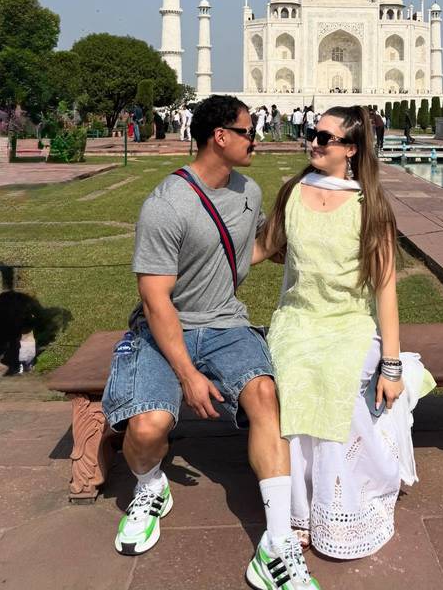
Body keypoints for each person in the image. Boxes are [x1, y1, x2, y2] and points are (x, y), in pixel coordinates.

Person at [101, 95, 321, 589]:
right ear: (220, 137)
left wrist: (312, 208)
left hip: (225, 324)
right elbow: (156, 300)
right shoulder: (167, 204)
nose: (255, 141)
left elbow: (249, 250)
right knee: (148, 429)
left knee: (265, 396)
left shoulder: (248, 191)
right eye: (247, 132)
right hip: (166, 328)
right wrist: (188, 374)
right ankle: (151, 485)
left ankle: (278, 542)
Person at [254, 106, 435, 559]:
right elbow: (263, 247)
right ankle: (300, 508)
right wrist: (202, 263)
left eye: (323, 137)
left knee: (337, 379)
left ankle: (338, 505)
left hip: (349, 325)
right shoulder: (293, 192)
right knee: (293, 377)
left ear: (351, 149)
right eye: (311, 134)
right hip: (298, 321)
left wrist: (391, 366)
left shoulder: (369, 206)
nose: (312, 142)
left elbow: (385, 290)